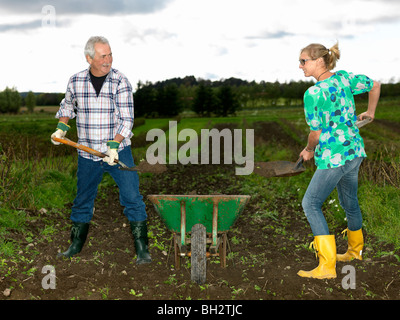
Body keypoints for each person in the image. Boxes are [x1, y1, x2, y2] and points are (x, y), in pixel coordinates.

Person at [51, 36, 151, 265]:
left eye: (110, 54)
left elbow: (126, 119)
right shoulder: (75, 81)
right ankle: (75, 247)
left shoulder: (120, 81)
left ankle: (142, 249)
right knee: (82, 199)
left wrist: (114, 146)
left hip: (118, 152)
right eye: (103, 56)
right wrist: (61, 128)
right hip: (87, 153)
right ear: (89, 58)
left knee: (132, 198)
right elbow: (67, 106)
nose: (108, 60)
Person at [297, 42, 380, 279]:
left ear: (319, 61)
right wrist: (371, 112)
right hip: (354, 151)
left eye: (304, 61)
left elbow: (315, 133)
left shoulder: (313, 94)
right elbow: (375, 85)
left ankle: (327, 266)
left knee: (310, 204)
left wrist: (308, 150)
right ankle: (355, 251)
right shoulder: (344, 79)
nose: (300, 66)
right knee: (349, 201)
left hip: (334, 157)